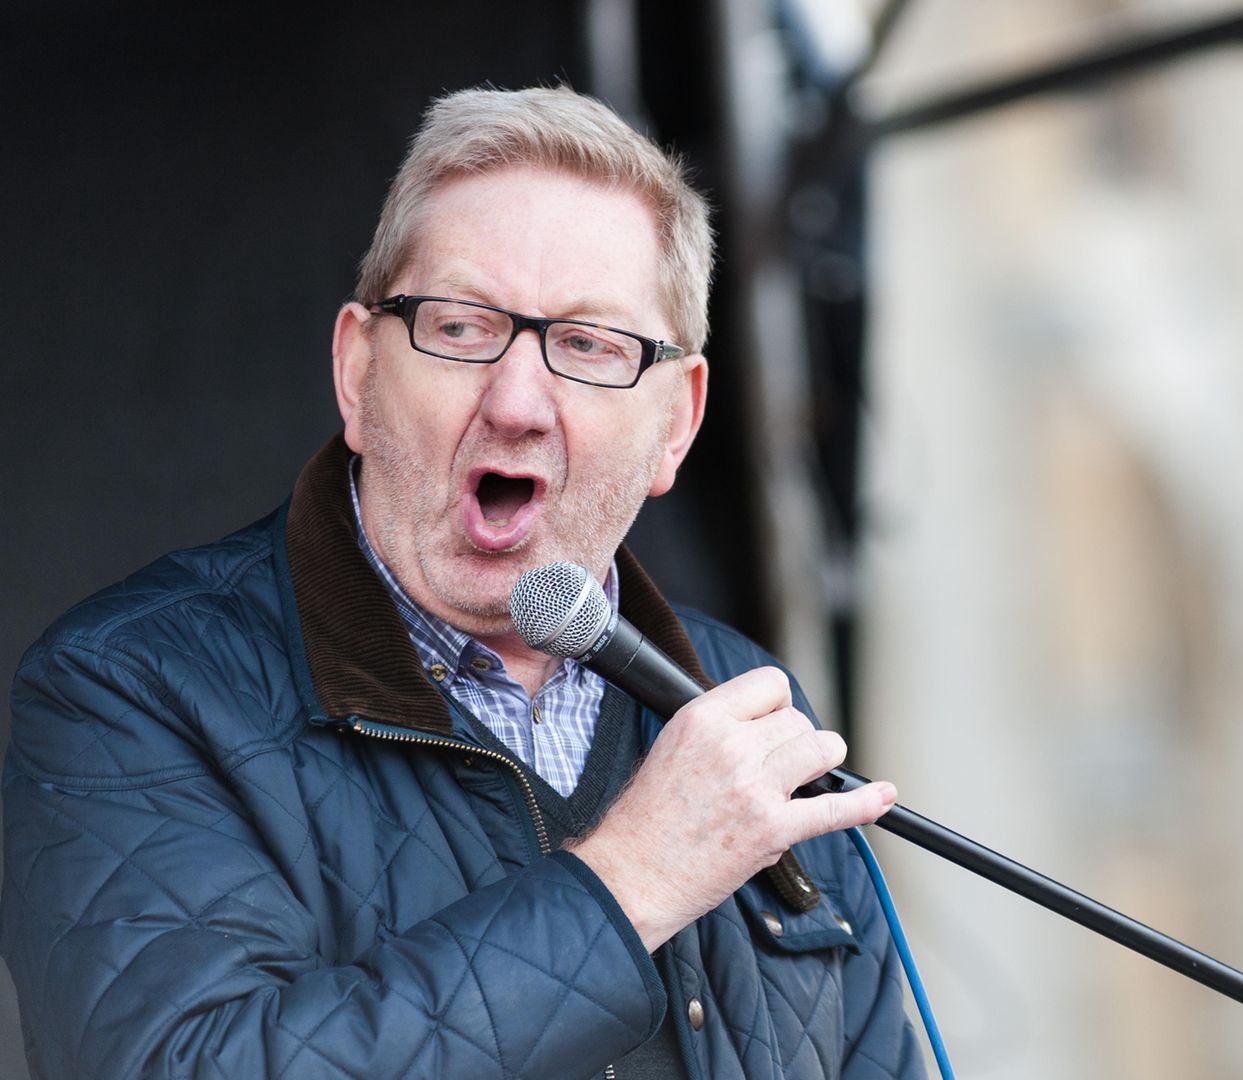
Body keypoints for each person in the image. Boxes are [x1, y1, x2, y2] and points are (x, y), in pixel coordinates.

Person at [1, 85, 923, 1080]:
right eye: (460, 325)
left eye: (587, 345)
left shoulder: (745, 708)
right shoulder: (128, 691)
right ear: (357, 371)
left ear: (678, 424)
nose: (519, 400)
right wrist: (628, 882)